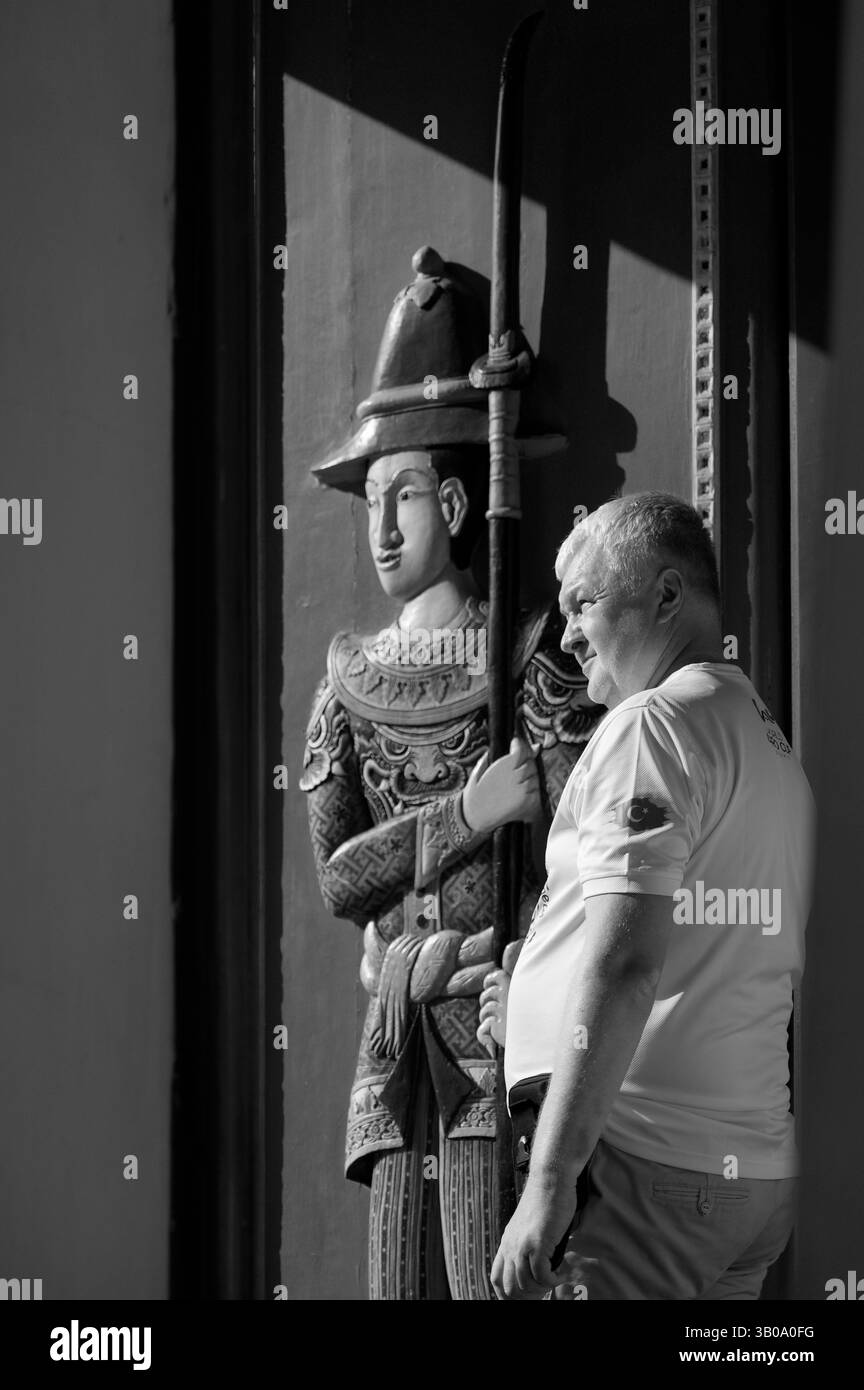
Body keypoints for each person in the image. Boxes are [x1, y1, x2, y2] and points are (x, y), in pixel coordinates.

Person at [300, 247, 600, 1299]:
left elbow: (580, 849)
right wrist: (467, 812)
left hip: (487, 999)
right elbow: (340, 878)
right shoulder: (347, 677)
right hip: (393, 1008)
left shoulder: (524, 659)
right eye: (371, 500)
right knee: (394, 1272)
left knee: (482, 1268)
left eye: (405, 496)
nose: (382, 529)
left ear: (462, 508)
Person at [478, 492, 816, 1301]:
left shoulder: (651, 726)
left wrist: (550, 1182)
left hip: (643, 1180)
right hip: (743, 1177)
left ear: (666, 596)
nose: (563, 635)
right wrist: (537, 1003)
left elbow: (629, 964)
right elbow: (704, 954)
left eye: (582, 605)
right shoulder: (767, 745)